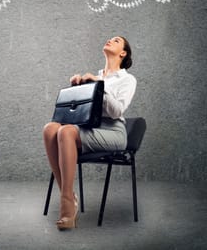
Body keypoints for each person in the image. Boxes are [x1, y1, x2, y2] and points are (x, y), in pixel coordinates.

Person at [43, 36, 137, 230]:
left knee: (66, 132)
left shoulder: (127, 79)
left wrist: (99, 86)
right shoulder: (94, 76)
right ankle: (68, 195)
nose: (110, 40)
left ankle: (67, 205)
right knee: (50, 128)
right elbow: (81, 112)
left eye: (117, 40)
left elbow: (117, 111)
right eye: (110, 38)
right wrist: (78, 88)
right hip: (89, 128)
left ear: (123, 53)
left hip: (113, 132)